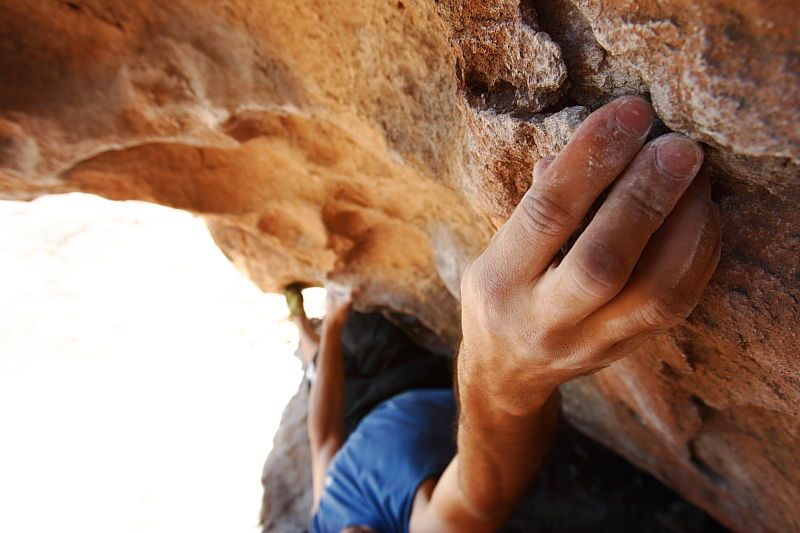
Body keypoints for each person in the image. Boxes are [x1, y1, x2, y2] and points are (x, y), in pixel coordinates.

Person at [287, 96, 721, 532]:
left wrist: (336, 318)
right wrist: (504, 379)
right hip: (423, 384)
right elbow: (479, 500)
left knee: (350, 335)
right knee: (361, 337)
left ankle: (307, 338)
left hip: (370, 402)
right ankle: (309, 341)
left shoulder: (325, 519)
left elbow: (322, 436)